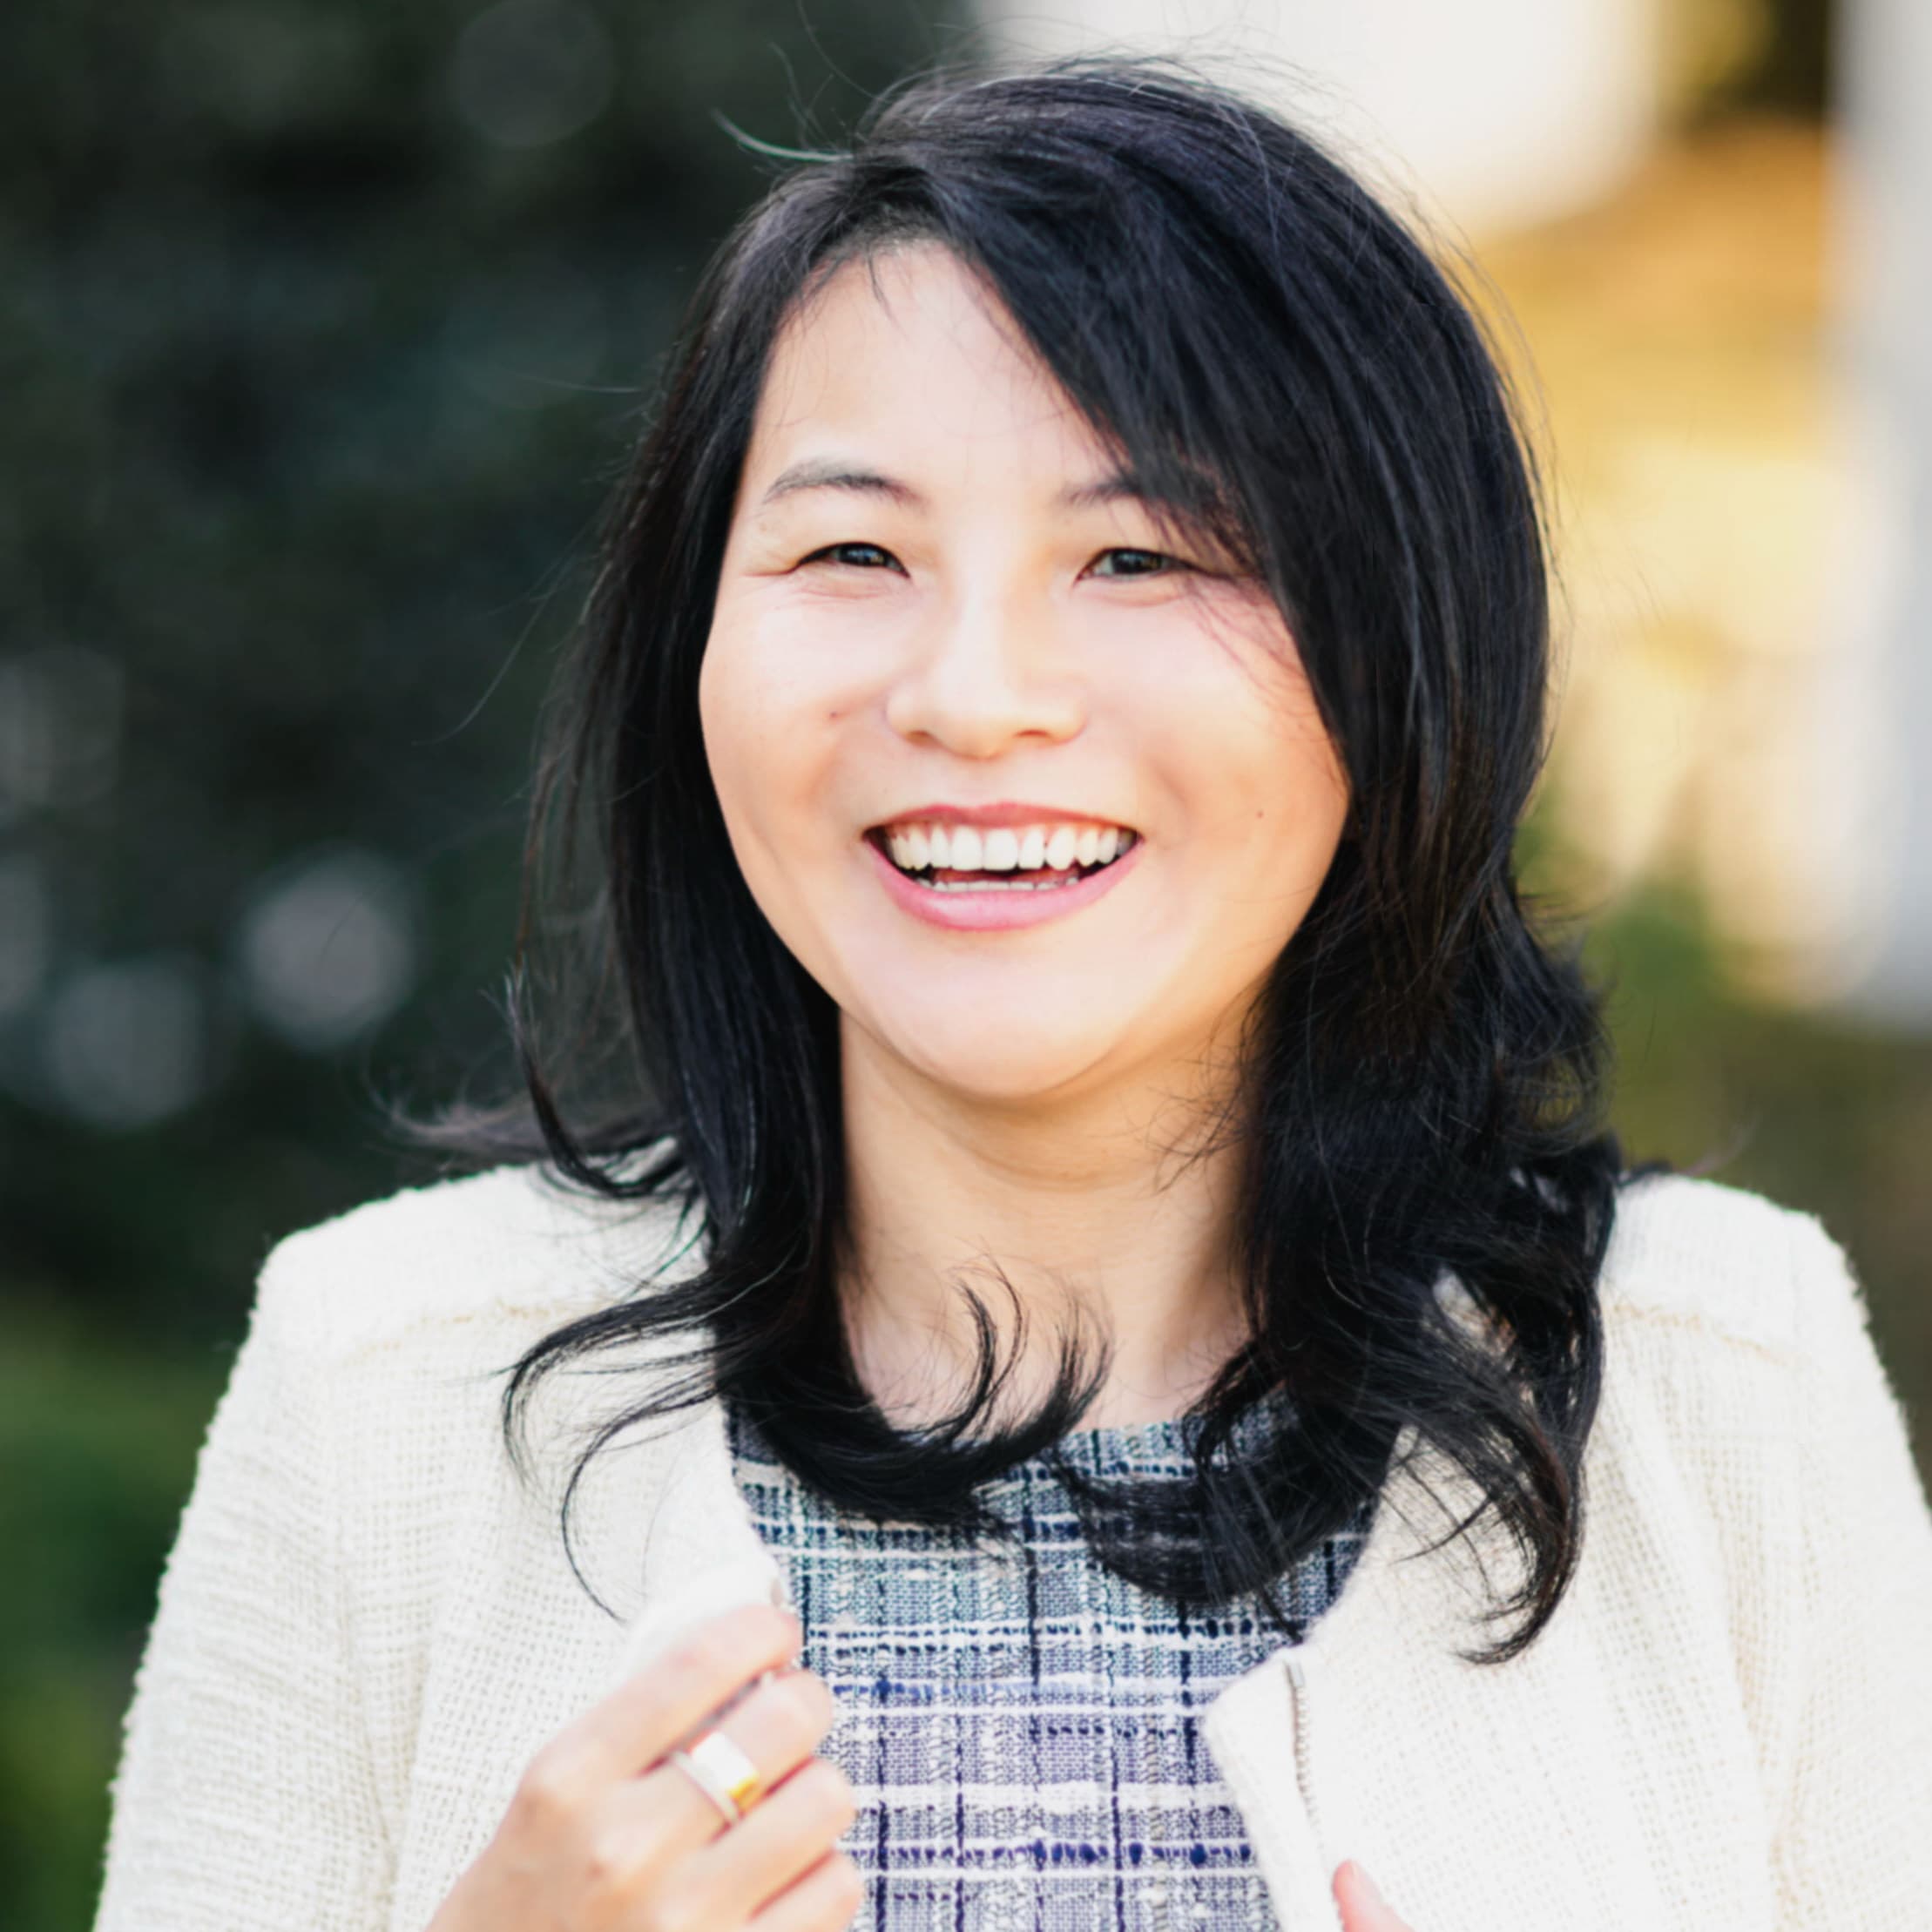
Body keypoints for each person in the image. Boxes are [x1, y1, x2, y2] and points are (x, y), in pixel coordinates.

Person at [93, 53, 1932, 1932]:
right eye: (850, 552)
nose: (972, 696)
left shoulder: (1720, 1374)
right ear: (690, 647)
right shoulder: (388, 1373)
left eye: (1137, 553)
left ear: (1402, 659)